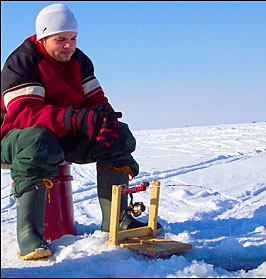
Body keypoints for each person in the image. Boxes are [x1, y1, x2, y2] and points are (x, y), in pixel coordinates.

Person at [1, 3, 162, 261]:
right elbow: (24, 115)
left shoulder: (79, 61)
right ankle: (29, 235)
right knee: (38, 140)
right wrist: (74, 119)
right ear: (43, 37)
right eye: (61, 39)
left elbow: (96, 99)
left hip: (59, 134)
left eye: (73, 39)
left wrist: (102, 118)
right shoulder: (23, 61)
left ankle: (116, 221)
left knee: (116, 135)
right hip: (13, 138)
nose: (69, 46)